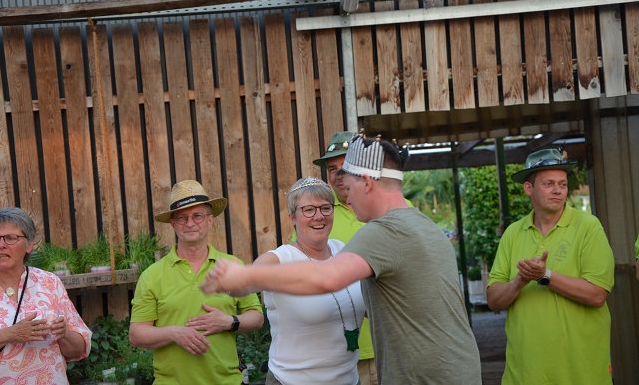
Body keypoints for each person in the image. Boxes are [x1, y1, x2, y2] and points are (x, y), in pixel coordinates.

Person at [201, 135, 482, 384]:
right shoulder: (422, 224)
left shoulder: (384, 231)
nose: (345, 199)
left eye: (347, 188)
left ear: (367, 183)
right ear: (293, 217)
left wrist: (244, 275)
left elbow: (328, 278)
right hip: (455, 371)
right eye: (309, 209)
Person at [487, 148, 615, 385]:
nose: (558, 190)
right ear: (529, 188)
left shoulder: (589, 227)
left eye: (563, 184)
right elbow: (494, 300)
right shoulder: (513, 233)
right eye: (548, 184)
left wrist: (545, 276)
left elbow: (598, 295)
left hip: (580, 374)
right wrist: (519, 282)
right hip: (524, 374)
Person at [129, 180, 264, 385]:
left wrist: (229, 322)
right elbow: (136, 334)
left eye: (197, 216)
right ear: (173, 224)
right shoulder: (152, 275)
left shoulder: (232, 266)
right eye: (182, 217)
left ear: (210, 221)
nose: (190, 223)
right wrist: (173, 333)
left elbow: (257, 317)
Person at [312, 131, 411, 385]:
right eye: (332, 169)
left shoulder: (398, 209)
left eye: (345, 166)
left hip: (394, 347)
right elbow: (304, 267)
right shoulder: (318, 215)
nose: (339, 175)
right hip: (339, 353)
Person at [256, 177, 365, 385]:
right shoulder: (279, 259)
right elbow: (250, 275)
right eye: (308, 210)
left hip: (349, 379)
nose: (319, 216)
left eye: (325, 208)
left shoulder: (342, 249)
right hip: (291, 381)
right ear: (292, 217)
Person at [0, 207, 91, 384]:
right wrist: (10, 334)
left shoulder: (49, 282)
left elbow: (78, 349)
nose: (1, 244)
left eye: (10, 238)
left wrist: (63, 333)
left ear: (29, 245)